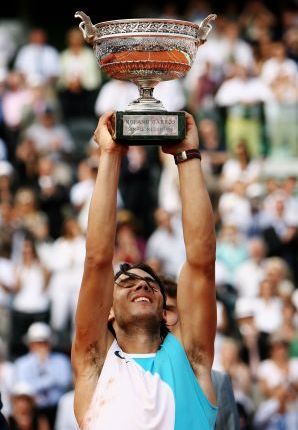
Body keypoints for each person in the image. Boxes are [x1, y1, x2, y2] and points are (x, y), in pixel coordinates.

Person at [71, 111, 218, 428]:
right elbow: (97, 259)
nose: (141, 286)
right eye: (127, 283)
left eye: (151, 285)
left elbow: (202, 262)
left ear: (166, 313)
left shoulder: (191, 360)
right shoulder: (95, 364)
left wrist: (187, 155)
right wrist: (109, 155)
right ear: (107, 312)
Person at [162, 276, 240, 430]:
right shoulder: (127, 377)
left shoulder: (217, 382)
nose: (161, 317)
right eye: (157, 310)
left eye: (168, 310)